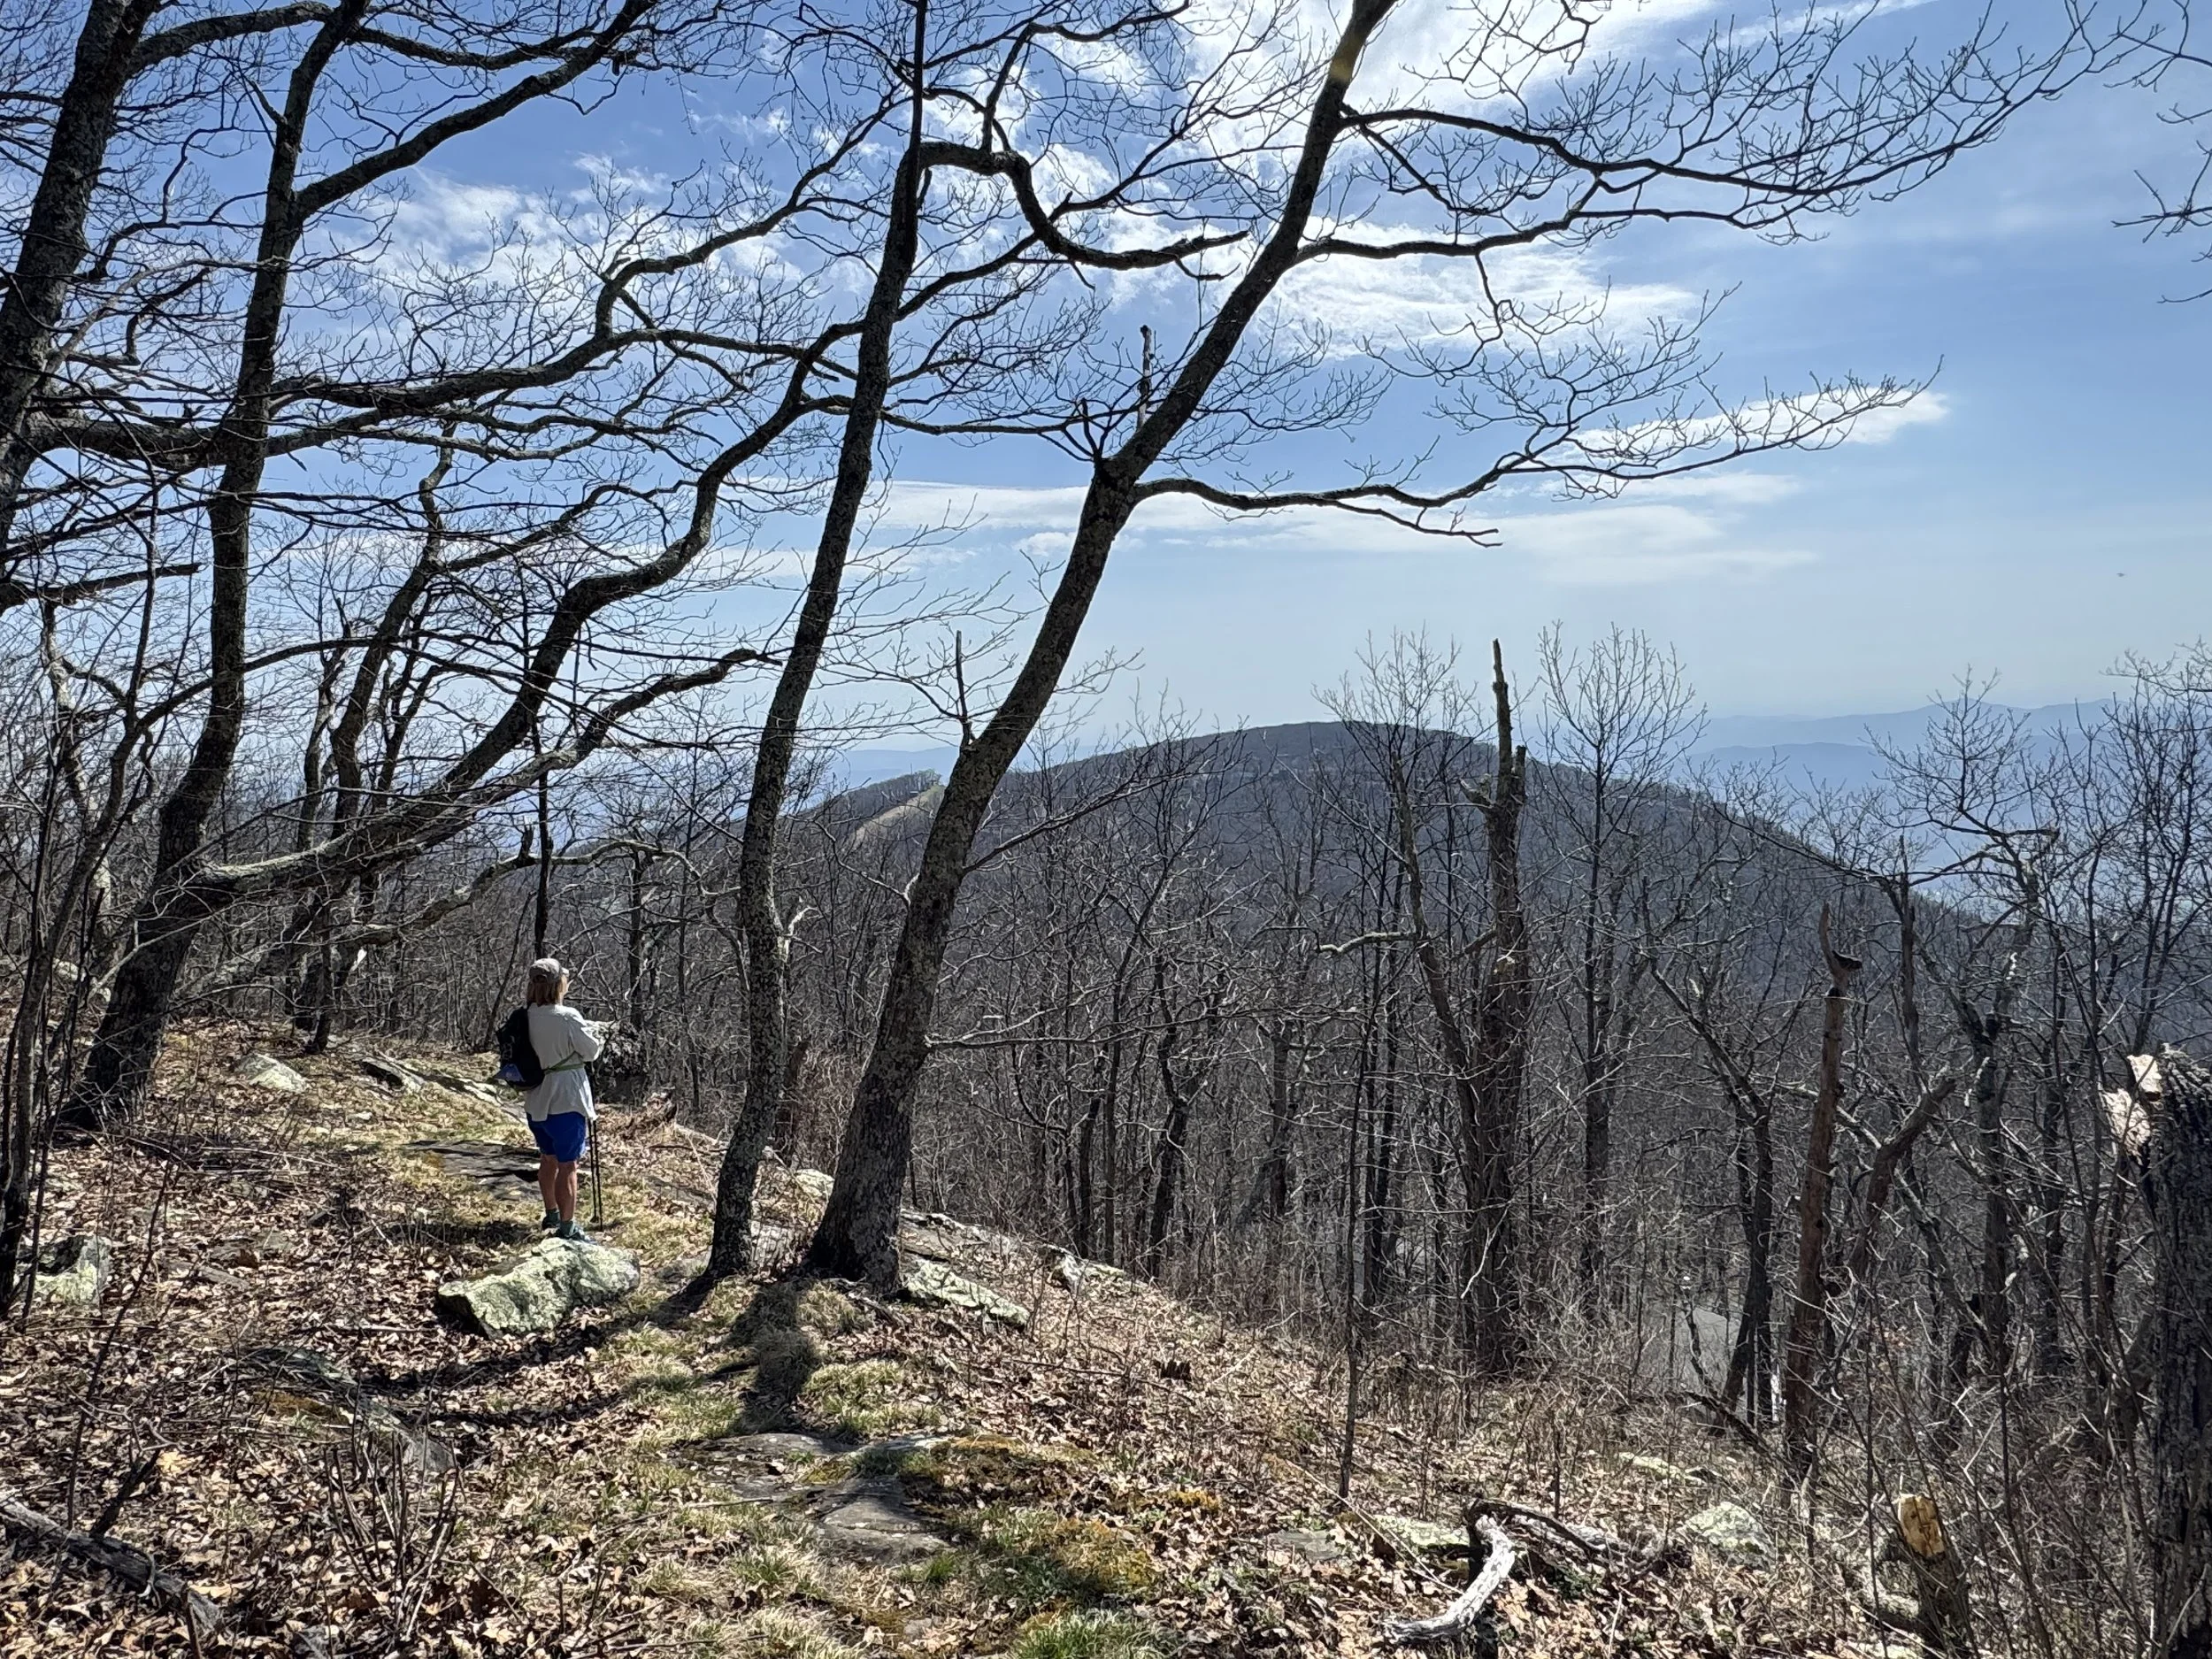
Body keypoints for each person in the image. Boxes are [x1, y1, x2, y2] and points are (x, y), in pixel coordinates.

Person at [521, 957, 603, 1241]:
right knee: (568, 1165)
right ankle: (568, 1228)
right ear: (558, 985)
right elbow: (591, 1051)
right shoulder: (568, 1017)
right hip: (566, 1101)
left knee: (548, 1159)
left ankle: (551, 1214)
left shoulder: (524, 1017)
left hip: (536, 1101)